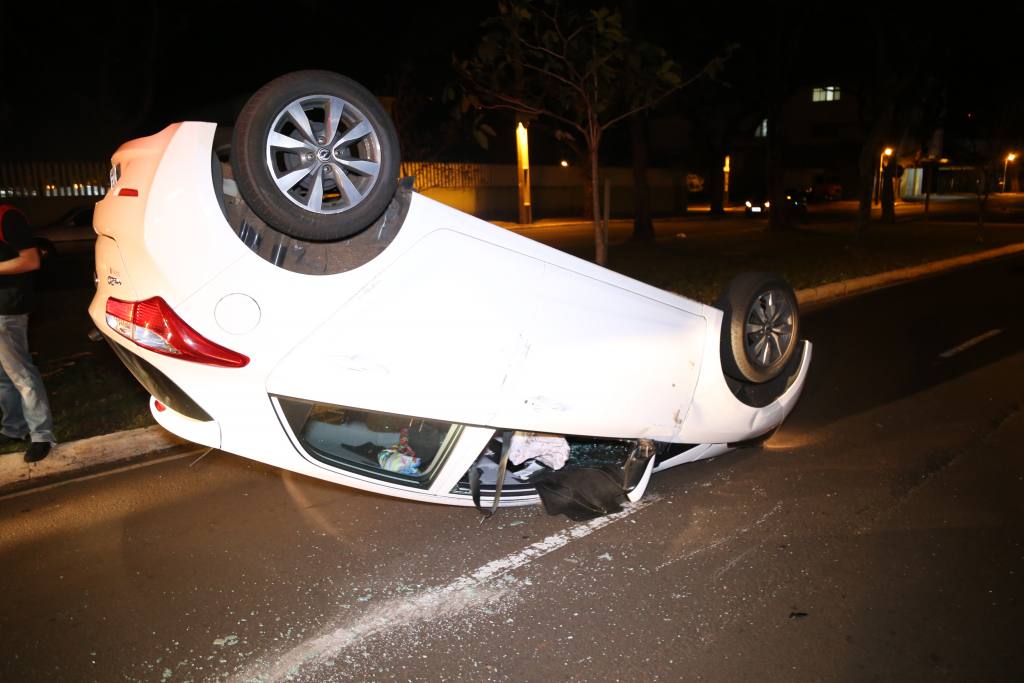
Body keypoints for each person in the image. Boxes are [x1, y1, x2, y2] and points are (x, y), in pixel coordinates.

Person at [0, 204, 56, 462]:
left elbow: (31, 260)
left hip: (8, 308)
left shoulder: (7, 217)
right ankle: (13, 428)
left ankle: (41, 435)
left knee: (22, 375)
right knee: (3, 377)